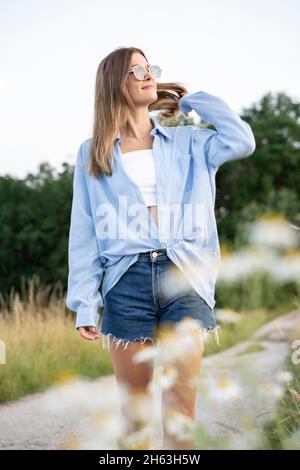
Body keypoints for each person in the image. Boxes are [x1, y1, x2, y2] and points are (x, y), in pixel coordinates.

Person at [66, 46, 256, 449]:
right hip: (125, 281)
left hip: (184, 275)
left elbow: (242, 141)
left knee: (180, 412)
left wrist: (189, 99)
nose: (148, 73)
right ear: (115, 82)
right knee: (135, 417)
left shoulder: (190, 141)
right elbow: (84, 233)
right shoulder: (93, 153)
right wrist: (84, 301)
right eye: (137, 69)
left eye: (150, 67)